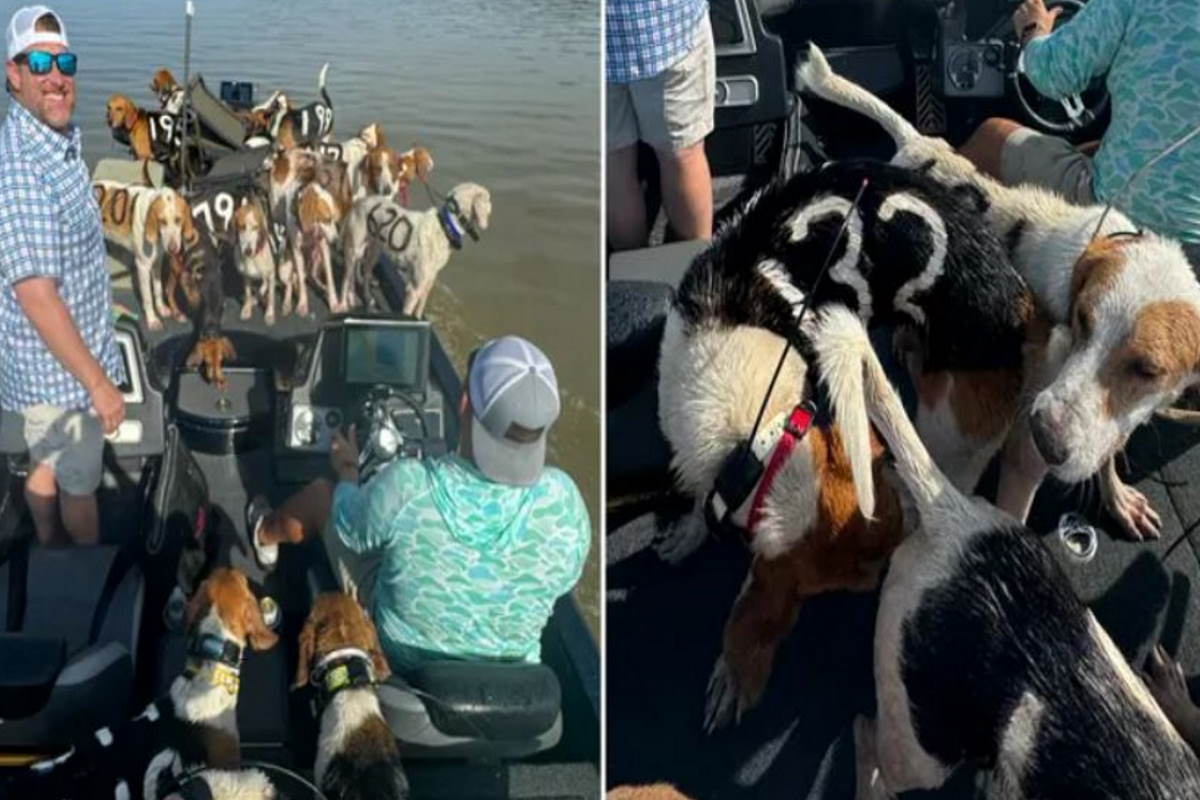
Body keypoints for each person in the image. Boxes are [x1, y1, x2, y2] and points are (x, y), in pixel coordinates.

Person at [247, 336, 591, 673]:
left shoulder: (410, 485)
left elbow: (350, 529)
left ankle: (264, 534)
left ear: (464, 403)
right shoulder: (564, 503)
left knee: (326, 496)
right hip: (515, 681)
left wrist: (348, 471)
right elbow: (561, 580)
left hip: (401, 661)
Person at [0, 5, 125, 547]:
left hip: (55, 358)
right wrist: (98, 384)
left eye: (65, 62)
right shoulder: (23, 170)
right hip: (60, 374)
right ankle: (86, 568)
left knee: (43, 459)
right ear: (14, 73)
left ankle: (47, 546)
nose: (56, 76)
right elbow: (36, 294)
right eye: (40, 62)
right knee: (78, 481)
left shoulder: (52, 140)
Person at [958, 0, 1200, 248]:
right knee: (1093, 147)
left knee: (991, 136)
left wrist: (1033, 30)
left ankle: (954, 249)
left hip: (1119, 219)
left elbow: (1053, 73)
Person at [606, 0, 715, 252]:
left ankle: (631, 271)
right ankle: (691, 264)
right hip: (664, 29)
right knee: (682, 154)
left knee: (614, 162)